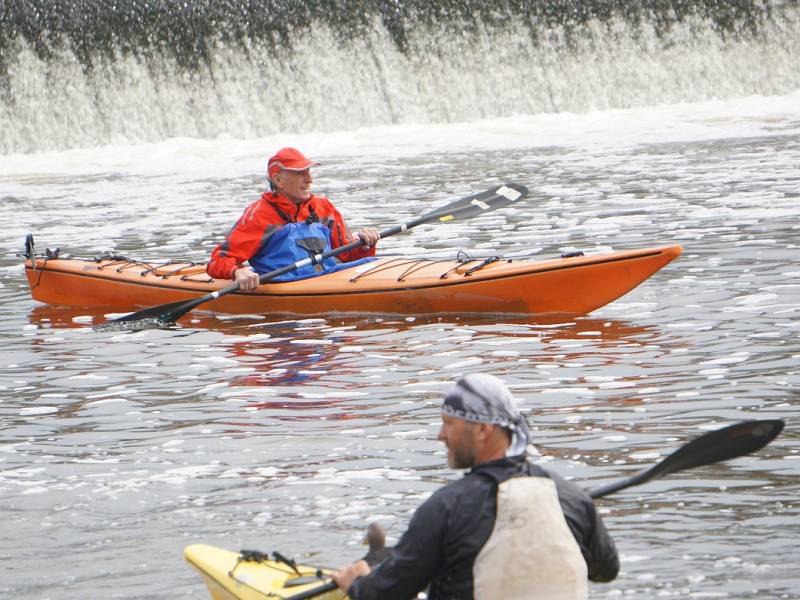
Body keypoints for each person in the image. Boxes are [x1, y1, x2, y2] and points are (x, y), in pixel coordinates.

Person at [333, 374, 619, 600]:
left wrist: (357, 583)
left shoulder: (446, 507)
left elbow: (388, 592)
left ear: (483, 430)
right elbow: (606, 571)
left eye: (448, 423)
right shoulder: (572, 498)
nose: (440, 435)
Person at [206, 147, 380, 289]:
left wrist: (365, 245)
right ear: (278, 180)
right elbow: (217, 261)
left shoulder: (323, 208)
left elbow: (349, 255)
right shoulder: (258, 216)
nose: (309, 180)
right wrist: (237, 271)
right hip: (288, 289)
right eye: (300, 173)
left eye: (309, 172)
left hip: (329, 281)